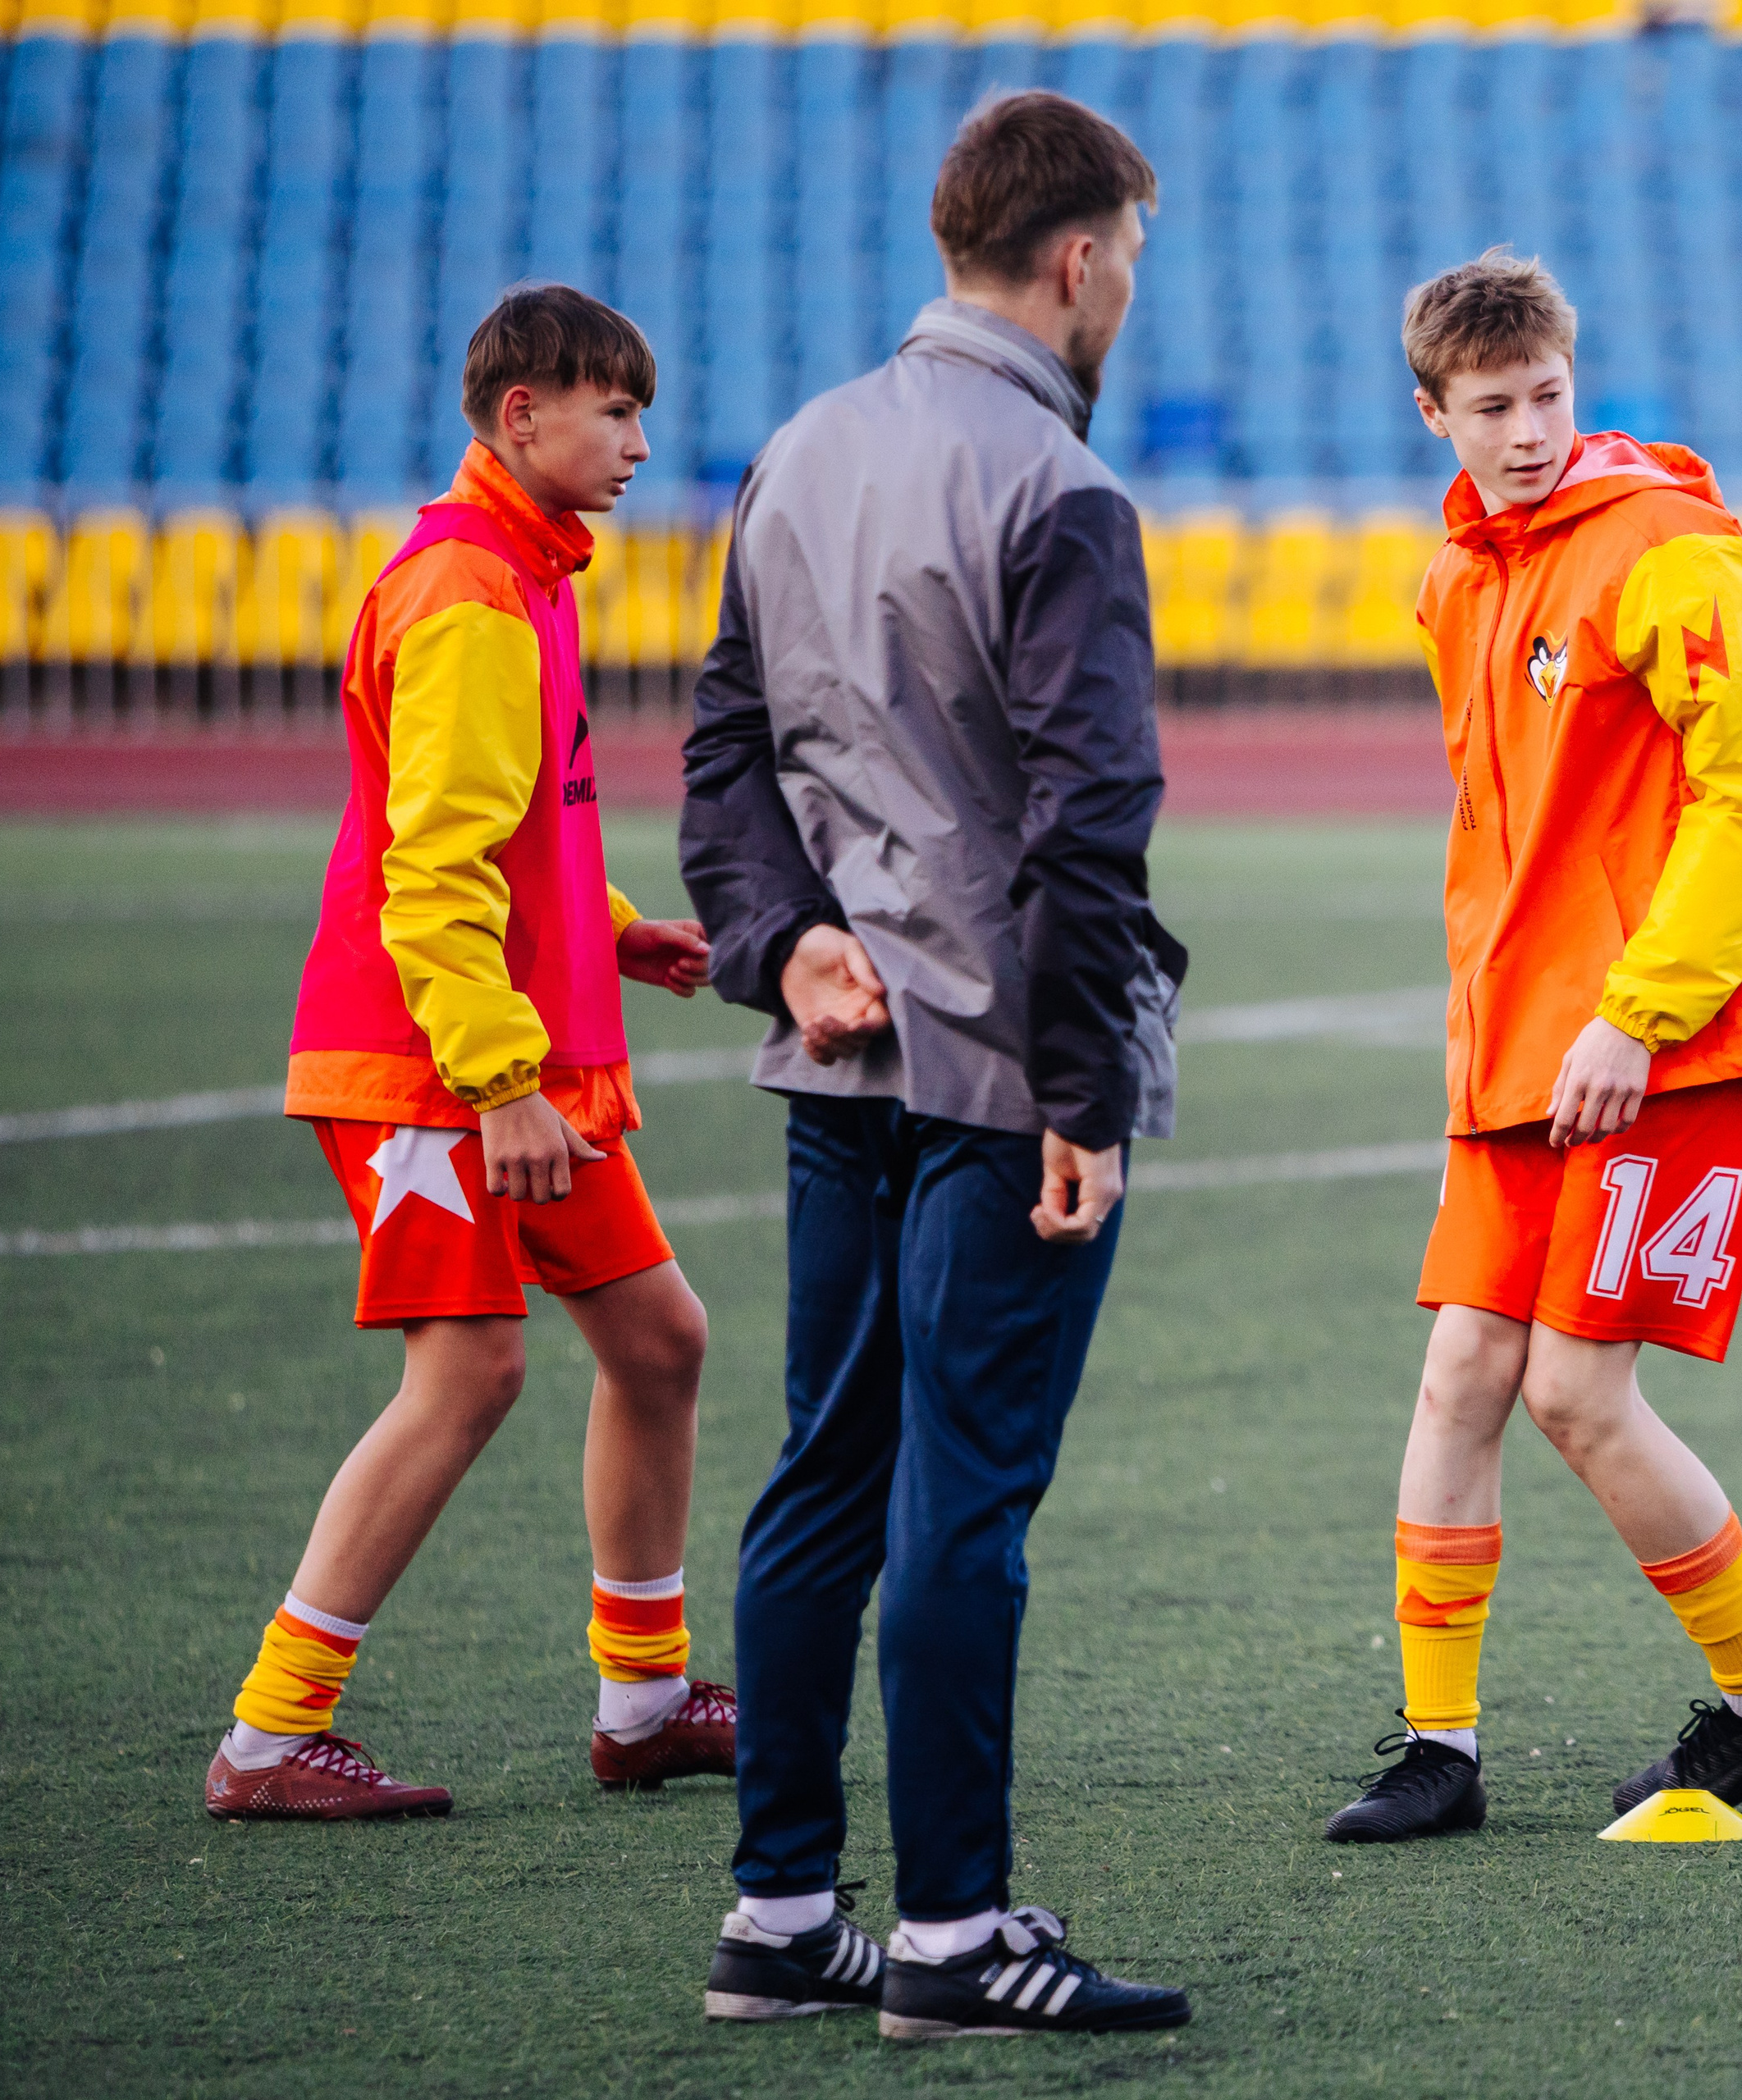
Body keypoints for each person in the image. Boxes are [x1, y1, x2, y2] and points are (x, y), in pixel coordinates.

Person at [680, 92, 1191, 2040]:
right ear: (1077, 259)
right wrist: (1078, 1092)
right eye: (1127, 255)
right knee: (960, 1503)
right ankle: (960, 1937)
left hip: (840, 1060)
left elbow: (724, 752)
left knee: (824, 1476)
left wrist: (774, 938)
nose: (1128, 288)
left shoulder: (797, 452)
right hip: (1001, 1068)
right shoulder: (1058, 489)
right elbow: (1084, 821)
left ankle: (783, 1908)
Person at [1325, 249, 1742, 1847]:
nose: (1527, 429)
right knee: (1461, 1369)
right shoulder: (1451, 581)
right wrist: (1511, 1025)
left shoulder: (1662, 550)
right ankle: (1438, 1745)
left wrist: (1639, 1007)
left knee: (1572, 1392)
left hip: (1661, 1041)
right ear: (1432, 414)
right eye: (1489, 407)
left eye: (1545, 394)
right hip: (1518, 1049)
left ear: (1573, 377)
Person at [204, 285, 735, 1823]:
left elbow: (515, 823)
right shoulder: (471, 592)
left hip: (508, 1061)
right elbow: (431, 870)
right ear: (523, 416)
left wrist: (613, 924)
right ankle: (267, 1738)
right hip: (435, 1073)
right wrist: (500, 1080)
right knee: (471, 1374)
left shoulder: (524, 569)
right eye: (614, 414)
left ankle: (643, 1699)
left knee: (659, 1340)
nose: (639, 444)